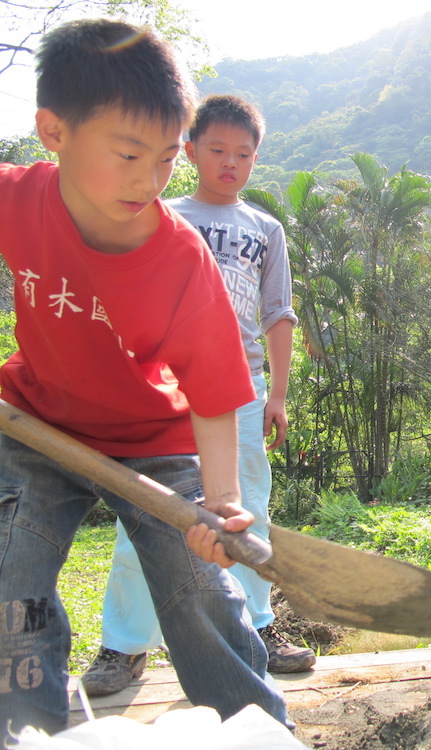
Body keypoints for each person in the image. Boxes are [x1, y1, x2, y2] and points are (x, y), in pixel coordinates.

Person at [0, 19, 290, 738]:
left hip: (153, 444)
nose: (148, 179)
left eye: (164, 159)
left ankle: (256, 727)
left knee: (200, 586)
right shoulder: (16, 198)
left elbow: (218, 392)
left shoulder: (179, 259)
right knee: (12, 581)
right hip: (35, 427)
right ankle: (29, 728)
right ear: (53, 132)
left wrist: (220, 503)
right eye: (128, 153)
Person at [81, 95, 314, 697]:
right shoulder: (160, 214)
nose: (230, 163)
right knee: (147, 511)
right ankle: (124, 646)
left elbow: (278, 314)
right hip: (163, 389)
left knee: (248, 510)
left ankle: (259, 628)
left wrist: (278, 395)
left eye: (243, 154)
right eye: (217, 150)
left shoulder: (266, 228)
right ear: (189, 151)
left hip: (242, 390)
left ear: (255, 159)